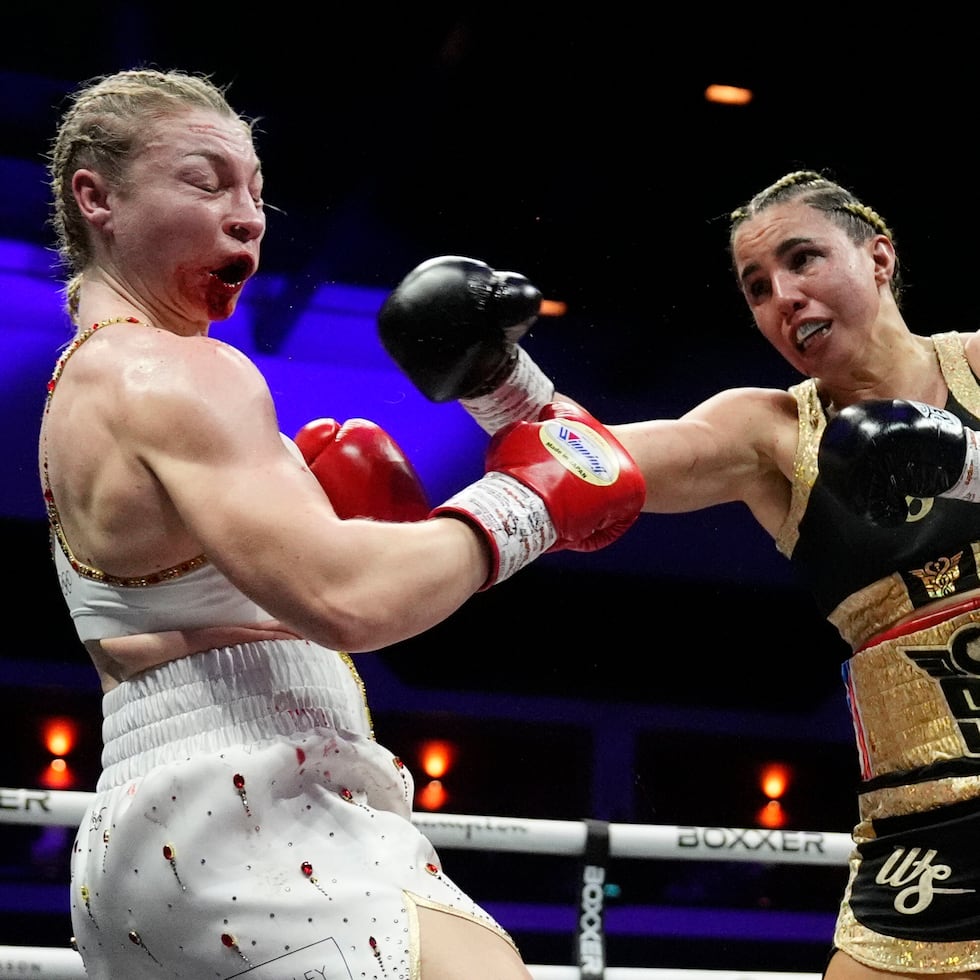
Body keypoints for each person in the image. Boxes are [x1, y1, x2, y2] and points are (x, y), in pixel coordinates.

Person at [40, 67, 648, 980]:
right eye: (206, 183)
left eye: (255, 191)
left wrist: (508, 427)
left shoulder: (84, 386)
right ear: (97, 199)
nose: (247, 215)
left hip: (160, 826)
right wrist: (525, 500)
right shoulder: (180, 373)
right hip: (251, 812)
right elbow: (347, 598)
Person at [377, 171, 980, 978]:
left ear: (878, 257)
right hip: (923, 823)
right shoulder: (769, 437)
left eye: (805, 260)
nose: (786, 297)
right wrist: (494, 378)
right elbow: (594, 464)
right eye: (758, 286)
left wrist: (965, 464)